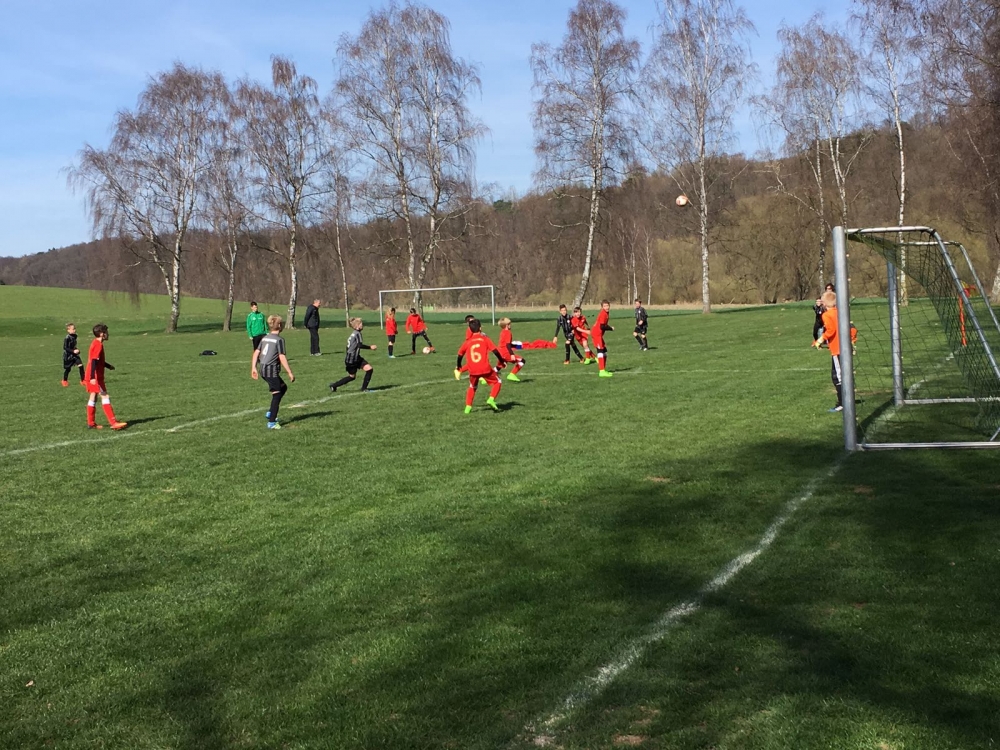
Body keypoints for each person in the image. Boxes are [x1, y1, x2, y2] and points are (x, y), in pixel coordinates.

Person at [251, 315, 295, 430]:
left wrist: (253, 368)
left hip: (263, 369)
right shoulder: (279, 340)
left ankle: (271, 412)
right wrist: (289, 372)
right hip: (271, 370)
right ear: (279, 325)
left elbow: (256, 353)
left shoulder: (265, 338)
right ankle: (271, 422)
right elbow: (282, 357)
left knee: (283, 387)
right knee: (277, 394)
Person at [454, 318, 506, 413]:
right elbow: (495, 351)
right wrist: (502, 361)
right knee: (498, 381)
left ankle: (468, 408)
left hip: (473, 370)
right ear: (480, 328)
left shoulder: (468, 342)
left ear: (470, 330)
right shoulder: (485, 339)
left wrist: (458, 366)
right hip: (485, 368)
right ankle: (491, 399)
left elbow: (460, 354)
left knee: (472, 386)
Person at [85, 323, 127, 430]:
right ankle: (113, 422)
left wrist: (108, 366)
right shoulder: (98, 345)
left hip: (91, 375)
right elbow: (94, 361)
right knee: (105, 396)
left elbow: (97, 361)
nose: (108, 334)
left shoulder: (95, 343)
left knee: (93, 396)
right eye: (106, 332)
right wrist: (93, 377)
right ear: (102, 334)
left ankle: (91, 423)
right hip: (95, 377)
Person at [812, 290, 844, 412]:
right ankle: (845, 400)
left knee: (837, 377)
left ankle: (842, 403)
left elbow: (831, 330)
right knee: (842, 374)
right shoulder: (840, 312)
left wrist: (820, 340)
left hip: (837, 349)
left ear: (824, 304)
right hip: (844, 348)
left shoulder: (827, 315)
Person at [330, 317, 377, 393]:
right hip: (352, 360)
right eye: (361, 324)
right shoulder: (357, 334)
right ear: (357, 326)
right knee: (352, 377)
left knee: (369, 369)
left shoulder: (353, 333)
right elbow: (359, 345)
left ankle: (364, 389)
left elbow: (348, 347)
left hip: (354, 358)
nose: (362, 325)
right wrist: (370, 347)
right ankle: (334, 385)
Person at [498, 317, 525, 382]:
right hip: (505, 353)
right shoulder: (508, 332)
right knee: (522, 361)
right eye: (509, 324)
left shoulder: (502, 332)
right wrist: (512, 354)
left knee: (499, 366)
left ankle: (485, 378)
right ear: (506, 325)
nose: (510, 325)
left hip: (500, 352)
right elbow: (507, 345)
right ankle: (512, 375)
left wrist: (515, 345)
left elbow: (505, 343)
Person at [593, 300, 614, 377]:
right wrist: (610, 328)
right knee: (600, 351)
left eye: (607, 305)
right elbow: (602, 326)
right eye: (604, 306)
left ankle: (603, 370)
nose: (606, 307)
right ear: (602, 307)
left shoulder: (606, 313)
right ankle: (601, 371)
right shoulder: (603, 314)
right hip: (596, 334)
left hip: (599, 335)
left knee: (604, 351)